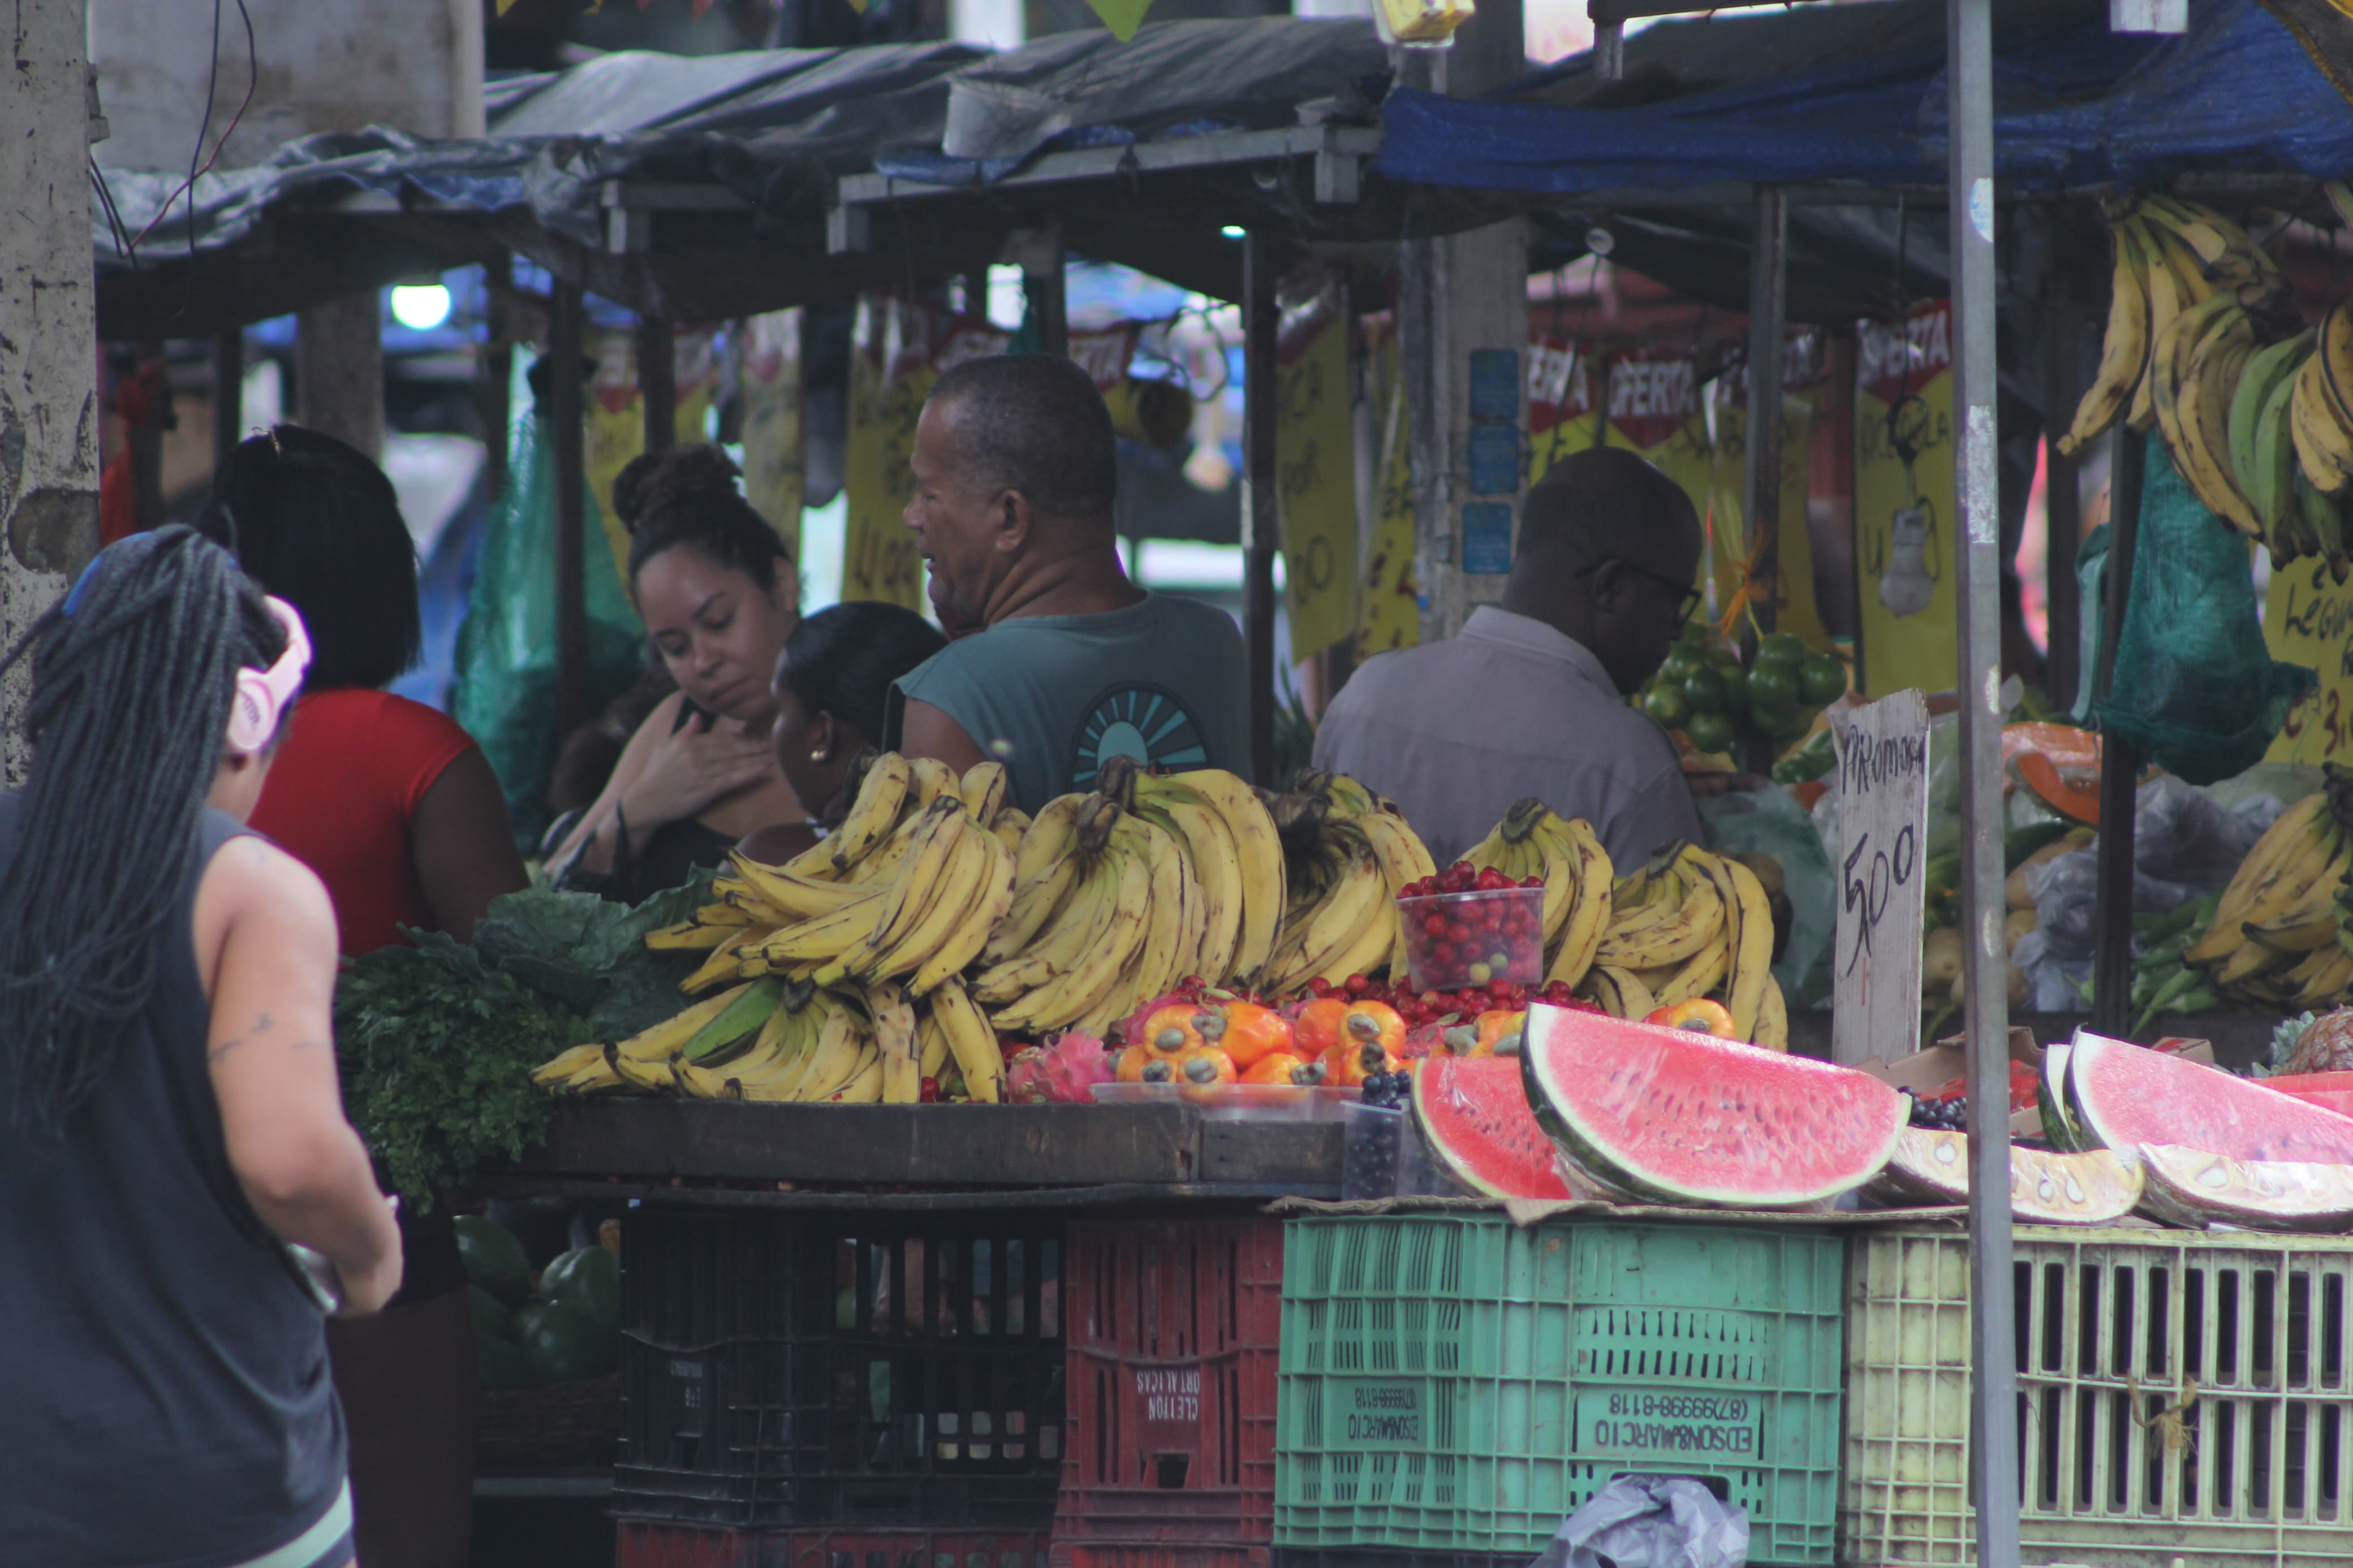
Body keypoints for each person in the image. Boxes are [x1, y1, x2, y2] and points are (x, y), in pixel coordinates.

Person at [0, 528, 403, 1568]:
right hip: (217, 1497)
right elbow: (290, 1158)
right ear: (248, 715)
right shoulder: (252, 888)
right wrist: (370, 1252)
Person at [199, 425, 529, 1568]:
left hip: (191, 1209)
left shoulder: (183, 756)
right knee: (404, 1544)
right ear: (384, 578)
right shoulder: (415, 749)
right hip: (374, 1209)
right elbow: (518, 968)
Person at [1312, 447, 1708, 871]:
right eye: (1675, 602)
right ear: (1611, 587)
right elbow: (1671, 933)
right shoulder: (1630, 762)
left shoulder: (1363, 697)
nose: (1677, 630)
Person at [888, 353, 1250, 811]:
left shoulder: (949, 701)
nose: (912, 516)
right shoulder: (1215, 643)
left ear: (1010, 517)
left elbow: (947, 882)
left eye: (928, 493)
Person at [550, 444, 803, 901]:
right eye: (675, 647)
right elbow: (548, 891)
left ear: (782, 585)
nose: (704, 661)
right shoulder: (677, 726)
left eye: (719, 621)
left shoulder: (868, 713)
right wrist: (639, 809)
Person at [737, 602, 949, 865]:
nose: (771, 730)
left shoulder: (768, 861)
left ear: (822, 734)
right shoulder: (969, 845)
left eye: (779, 710)